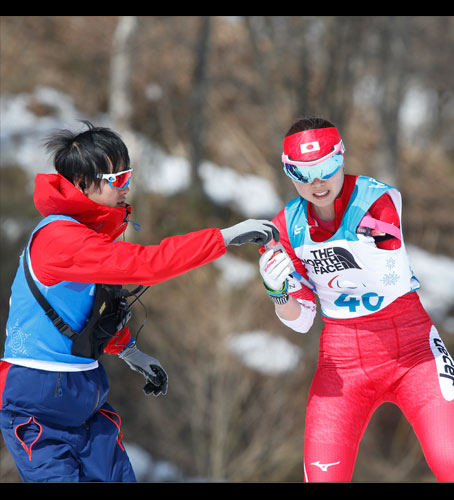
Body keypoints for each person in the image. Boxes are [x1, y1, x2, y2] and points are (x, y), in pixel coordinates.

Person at [0, 121, 278, 482]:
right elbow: (146, 265)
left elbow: (88, 312)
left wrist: (130, 352)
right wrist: (223, 238)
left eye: (127, 175)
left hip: (83, 396)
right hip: (38, 404)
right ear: (83, 183)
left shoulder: (88, 238)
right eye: (116, 179)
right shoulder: (59, 238)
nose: (126, 188)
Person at [258, 117, 454, 482]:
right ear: (288, 172)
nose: (317, 182)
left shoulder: (376, 200)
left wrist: (354, 248)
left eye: (327, 167)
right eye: (303, 172)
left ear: (341, 158)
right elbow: (301, 320)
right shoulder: (286, 227)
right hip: (342, 365)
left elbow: (390, 283)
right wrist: (278, 293)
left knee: (453, 469)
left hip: (413, 351)